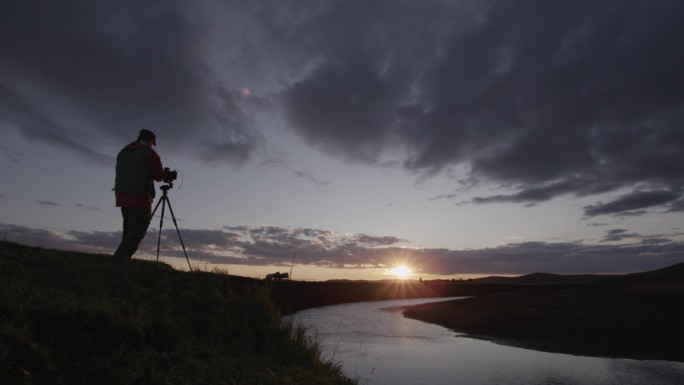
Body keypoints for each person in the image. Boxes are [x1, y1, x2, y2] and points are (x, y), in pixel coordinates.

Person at [113, 129, 165, 263]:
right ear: (151, 141)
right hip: (140, 197)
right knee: (138, 230)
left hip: (122, 196)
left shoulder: (123, 152)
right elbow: (159, 176)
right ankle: (118, 262)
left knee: (129, 230)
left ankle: (122, 263)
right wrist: (165, 175)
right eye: (153, 143)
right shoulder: (150, 154)